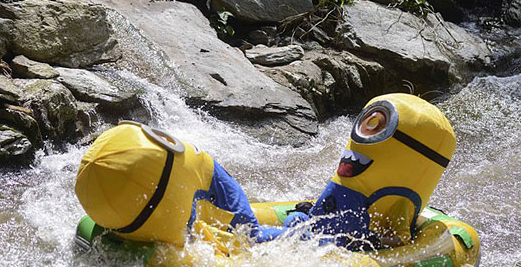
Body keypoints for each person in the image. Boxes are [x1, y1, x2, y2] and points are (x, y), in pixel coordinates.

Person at [75, 121, 284, 248]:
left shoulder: (170, 210)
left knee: (250, 237)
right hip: (172, 171)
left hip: (203, 174)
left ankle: (298, 224)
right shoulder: (109, 168)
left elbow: (187, 247)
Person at [303, 93, 457, 251]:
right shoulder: (355, 171)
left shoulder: (401, 203)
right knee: (297, 218)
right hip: (324, 233)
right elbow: (341, 193)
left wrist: (372, 241)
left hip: (349, 243)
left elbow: (401, 239)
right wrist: (313, 208)